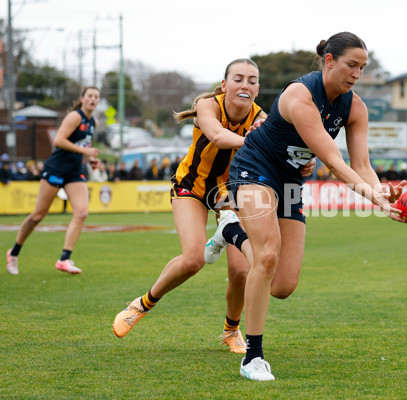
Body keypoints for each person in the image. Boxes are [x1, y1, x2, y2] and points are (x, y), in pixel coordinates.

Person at [209, 32, 404, 381]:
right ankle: (253, 357)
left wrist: (381, 191)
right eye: (351, 65)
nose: (357, 74)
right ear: (329, 61)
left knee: (282, 285)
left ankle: (231, 232)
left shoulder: (355, 107)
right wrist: (371, 196)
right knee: (267, 255)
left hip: (290, 182)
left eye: (362, 67)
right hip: (254, 168)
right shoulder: (299, 95)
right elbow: (331, 158)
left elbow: (361, 164)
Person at [112, 59, 315, 354]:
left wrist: (304, 162)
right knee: (193, 259)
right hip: (192, 188)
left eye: (252, 80)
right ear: (225, 85)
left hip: (231, 194)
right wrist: (259, 144)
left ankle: (231, 330)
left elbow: (286, 150)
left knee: (242, 270)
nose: (245, 85)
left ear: (258, 89)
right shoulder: (209, 105)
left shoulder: (263, 118)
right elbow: (218, 136)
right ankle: (142, 304)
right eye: (238, 78)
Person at [6, 86, 100, 275]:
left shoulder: (93, 122)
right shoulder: (75, 116)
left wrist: (90, 159)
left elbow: (82, 146)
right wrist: (85, 152)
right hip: (56, 169)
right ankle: (14, 252)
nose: (93, 99)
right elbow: (58, 140)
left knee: (81, 213)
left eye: (96, 97)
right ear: (82, 98)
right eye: (89, 96)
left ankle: (64, 259)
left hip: (74, 172)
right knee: (38, 216)